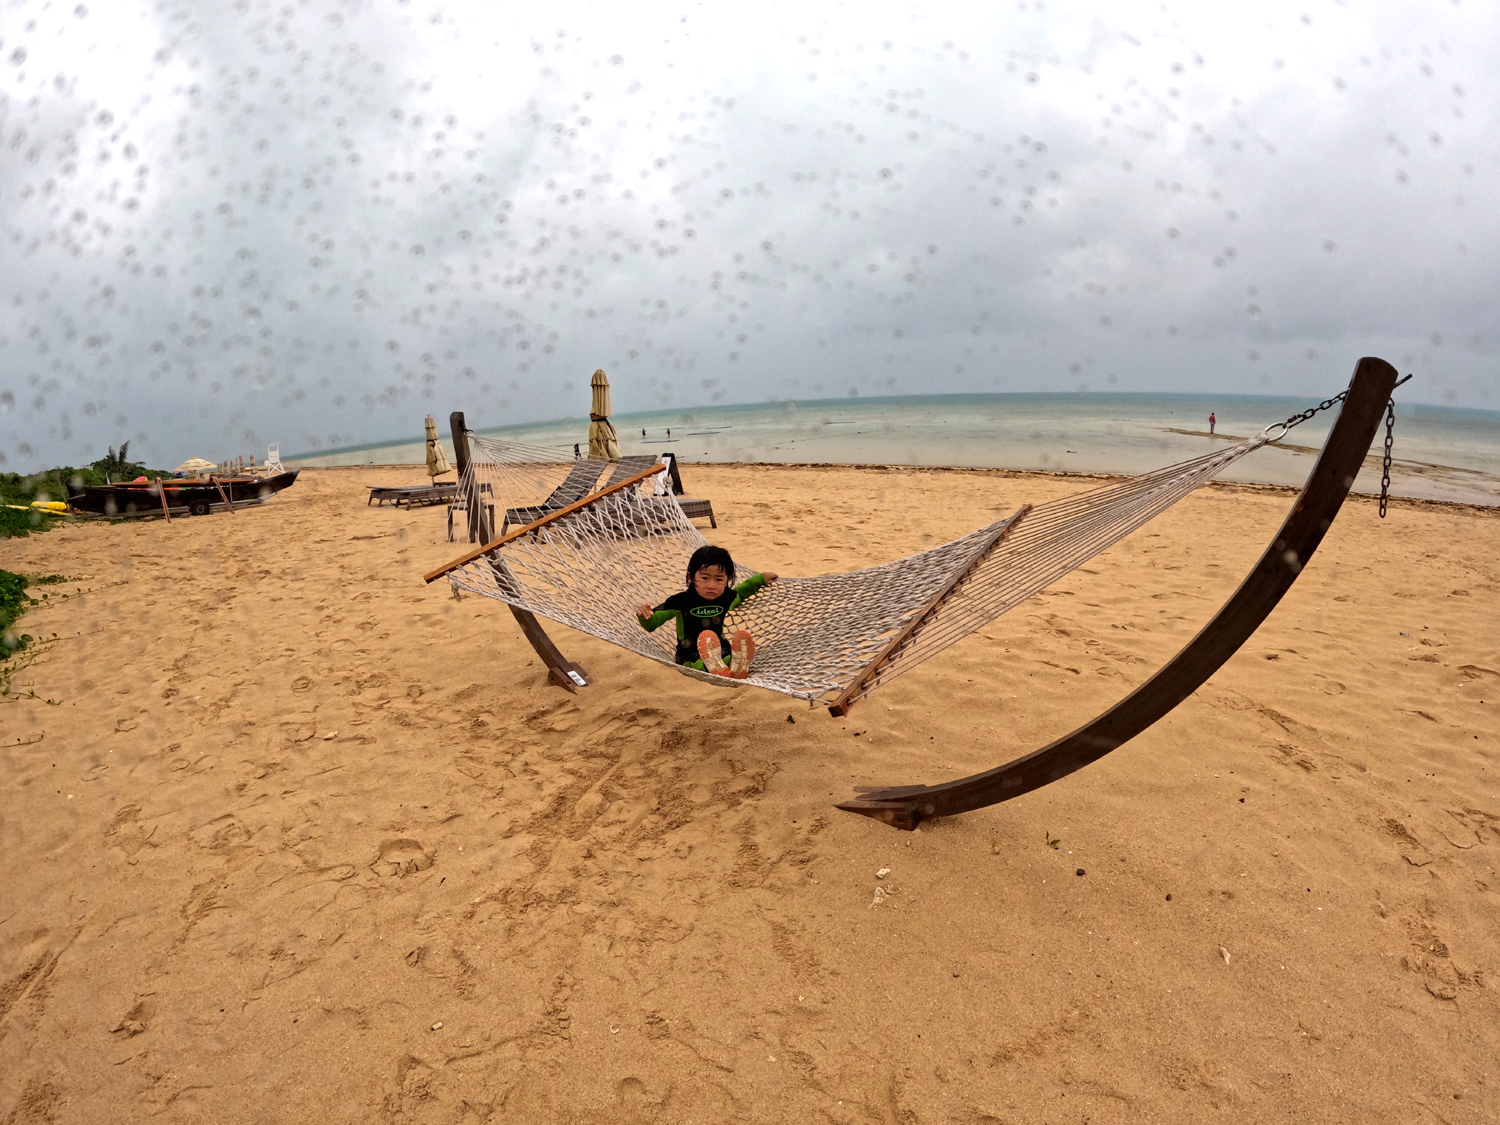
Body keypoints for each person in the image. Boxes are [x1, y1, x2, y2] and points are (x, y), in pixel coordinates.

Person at [636, 545, 777, 678]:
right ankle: (717, 666)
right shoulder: (680, 601)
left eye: (719, 579)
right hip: (689, 654)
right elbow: (652, 623)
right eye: (704, 578)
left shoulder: (726, 598)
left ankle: (733, 665)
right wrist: (645, 616)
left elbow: (741, 593)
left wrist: (759, 580)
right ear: (691, 577)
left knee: (727, 656)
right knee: (698, 664)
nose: (711, 585)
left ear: (727, 580)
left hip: (721, 648)